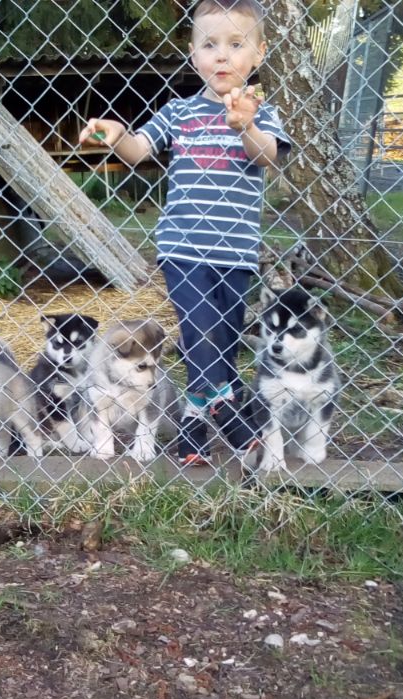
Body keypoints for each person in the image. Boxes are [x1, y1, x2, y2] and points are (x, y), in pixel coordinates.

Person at [80, 0, 290, 466]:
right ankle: (227, 411)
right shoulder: (179, 113)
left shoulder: (264, 114)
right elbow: (138, 151)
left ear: (258, 53)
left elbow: (266, 157)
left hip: (235, 254)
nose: (221, 56)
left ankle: (193, 434)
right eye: (209, 45)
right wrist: (115, 135)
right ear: (193, 54)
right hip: (183, 249)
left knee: (223, 344)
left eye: (235, 45)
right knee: (199, 332)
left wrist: (246, 126)